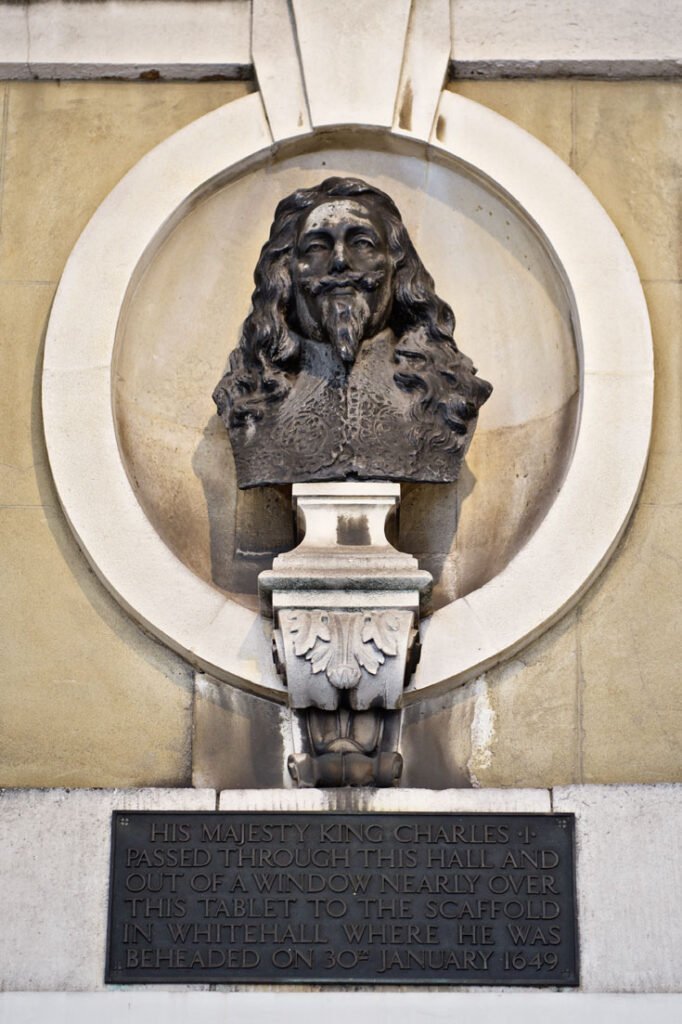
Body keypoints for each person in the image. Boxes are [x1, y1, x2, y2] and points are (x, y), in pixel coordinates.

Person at [213, 177, 492, 487]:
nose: (340, 262)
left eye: (362, 243)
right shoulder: (250, 402)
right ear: (286, 272)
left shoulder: (447, 395)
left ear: (395, 267)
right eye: (317, 246)